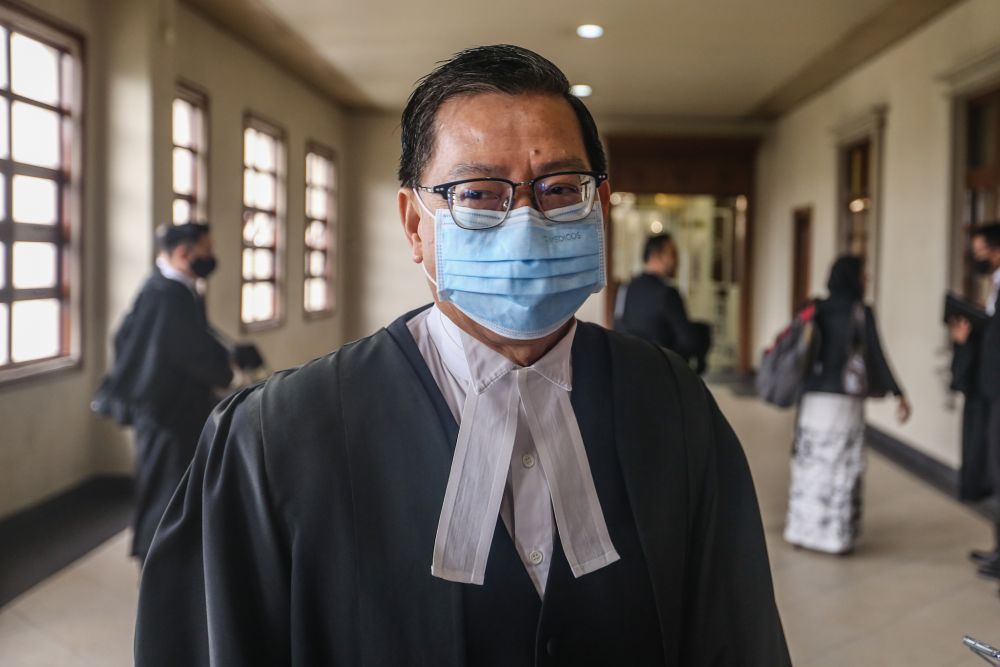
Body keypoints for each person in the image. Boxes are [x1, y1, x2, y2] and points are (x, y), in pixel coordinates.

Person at [135, 45, 790, 666]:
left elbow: (736, 637)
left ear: (601, 208)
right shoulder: (276, 437)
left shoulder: (672, 404)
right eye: (477, 193)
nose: (526, 221)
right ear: (415, 225)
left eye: (560, 188)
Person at [93, 223, 234, 563]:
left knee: (171, 489)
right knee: (165, 493)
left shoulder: (167, 288)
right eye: (206, 250)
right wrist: (224, 367)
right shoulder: (166, 294)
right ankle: (157, 567)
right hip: (166, 415)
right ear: (184, 253)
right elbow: (187, 351)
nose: (211, 257)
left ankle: (167, 563)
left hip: (172, 411)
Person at [784, 255, 911, 555]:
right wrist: (898, 393)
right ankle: (835, 538)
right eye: (863, 274)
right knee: (840, 468)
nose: (867, 279)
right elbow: (876, 355)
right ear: (853, 277)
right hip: (844, 403)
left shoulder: (814, 307)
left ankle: (801, 531)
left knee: (810, 466)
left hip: (813, 400)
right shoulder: (860, 311)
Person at [951, 223, 1000, 576]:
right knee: (994, 473)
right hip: (990, 393)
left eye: (981, 250)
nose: (977, 257)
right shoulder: (995, 285)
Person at [616, 233, 710, 372]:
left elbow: (618, 326)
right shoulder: (667, 294)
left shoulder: (627, 288)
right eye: (672, 254)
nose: (676, 260)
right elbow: (688, 340)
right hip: (663, 372)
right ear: (655, 255)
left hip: (630, 369)